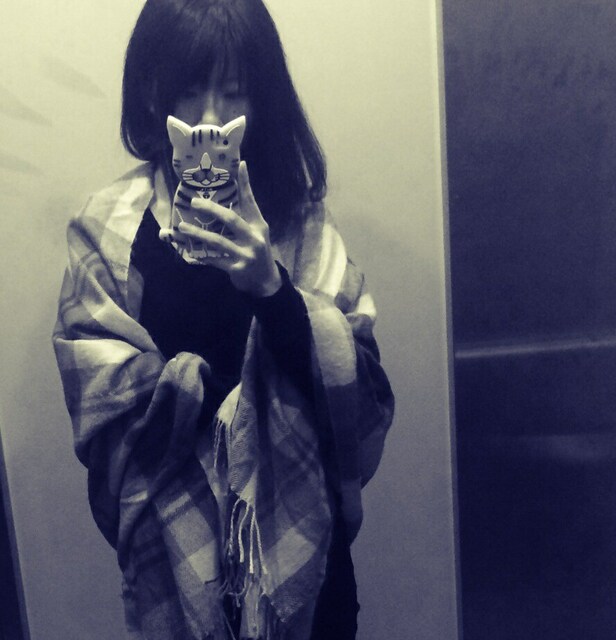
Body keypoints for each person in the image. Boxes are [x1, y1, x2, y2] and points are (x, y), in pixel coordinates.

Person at [52, 1, 394, 638]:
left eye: (234, 92)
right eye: (190, 90)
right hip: (174, 574)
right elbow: (101, 408)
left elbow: (363, 396)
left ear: (260, 100)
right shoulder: (107, 232)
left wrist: (271, 289)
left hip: (308, 579)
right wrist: (194, 393)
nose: (210, 118)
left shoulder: (297, 222)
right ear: (152, 92)